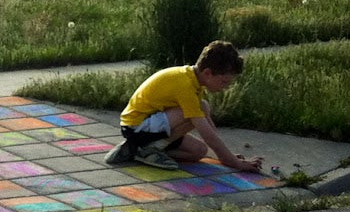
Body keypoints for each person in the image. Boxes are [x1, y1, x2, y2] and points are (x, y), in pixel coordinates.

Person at [106, 40, 263, 172]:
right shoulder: (185, 85)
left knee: (199, 151)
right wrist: (234, 163)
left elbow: (210, 133)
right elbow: (207, 133)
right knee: (199, 109)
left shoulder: (195, 80)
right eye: (224, 82)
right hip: (136, 127)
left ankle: (137, 150)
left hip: (152, 127)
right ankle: (147, 149)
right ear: (208, 73)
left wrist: (226, 156)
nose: (226, 87)